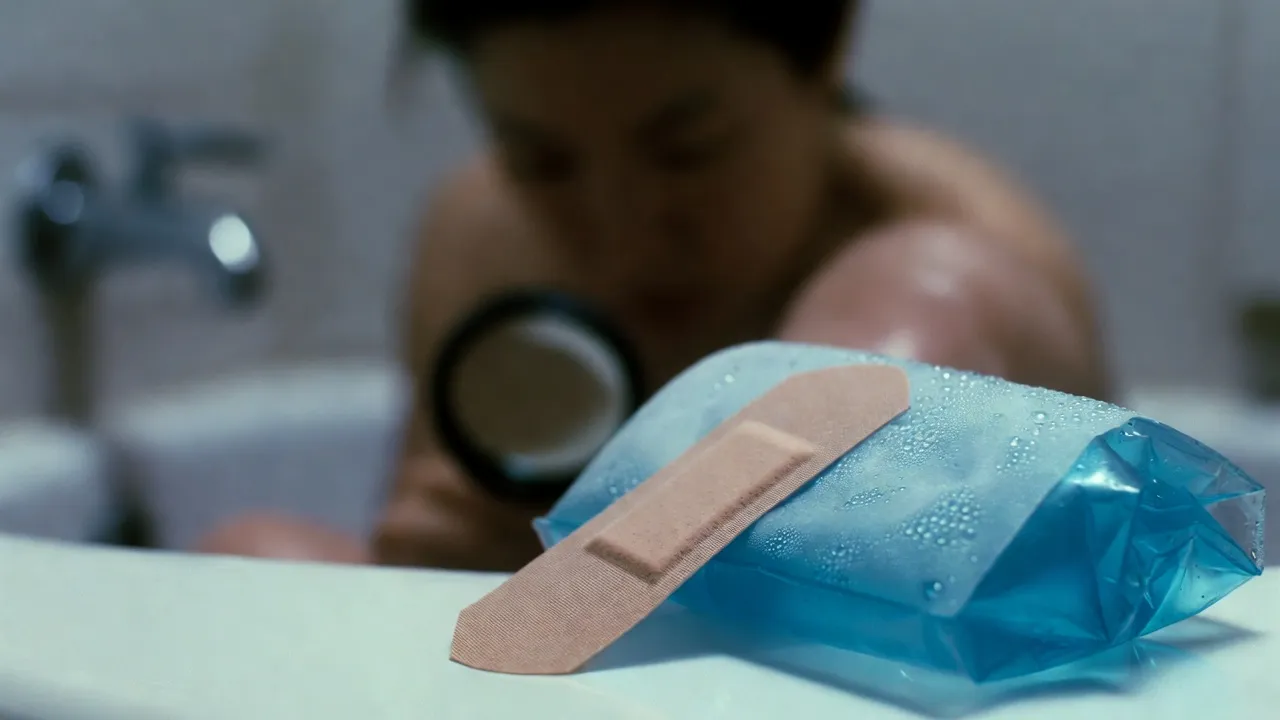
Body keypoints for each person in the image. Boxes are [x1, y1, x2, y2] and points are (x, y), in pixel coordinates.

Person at [196, 0, 1110, 570]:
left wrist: (587, 564)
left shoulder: (956, 261)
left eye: (688, 153)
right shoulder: (483, 236)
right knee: (251, 559)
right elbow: (426, 555)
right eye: (542, 161)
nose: (623, 234)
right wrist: (453, 549)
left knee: (917, 296)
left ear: (827, 50)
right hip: (562, 669)